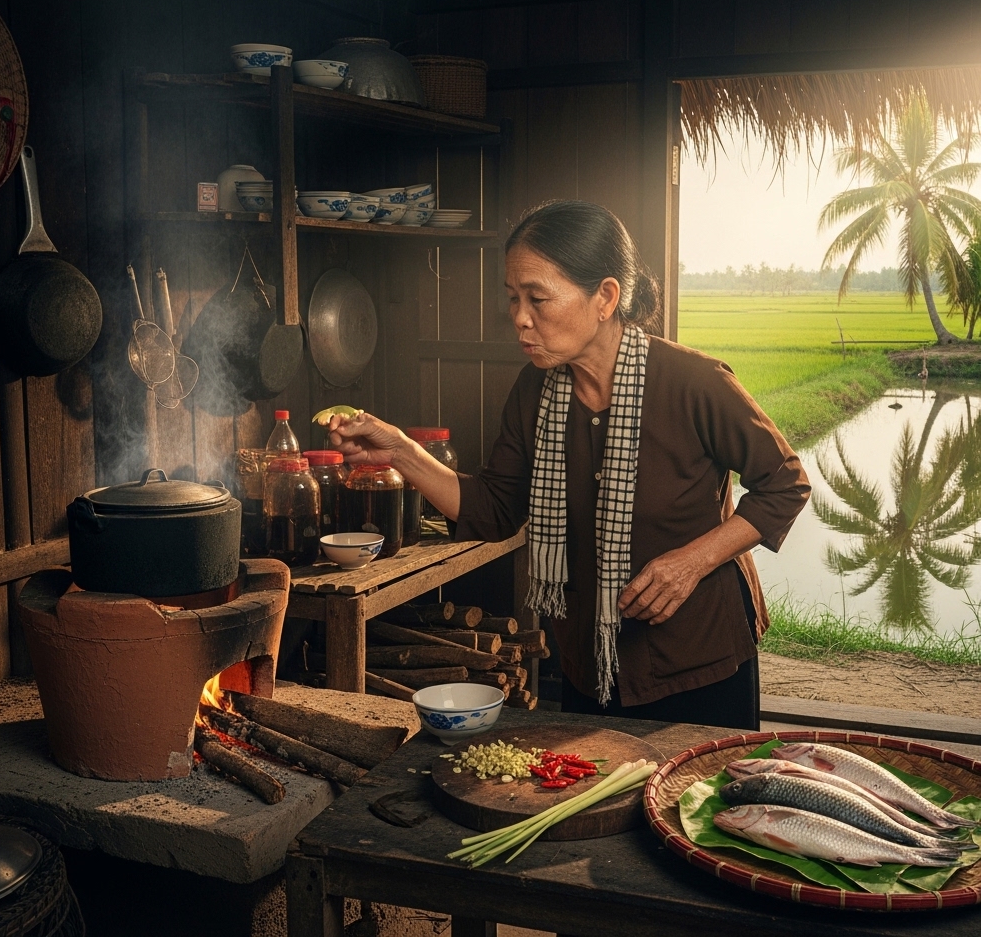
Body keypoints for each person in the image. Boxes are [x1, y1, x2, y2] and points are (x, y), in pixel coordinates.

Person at [326, 200, 810, 729]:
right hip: (590, 663)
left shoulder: (693, 382)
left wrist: (690, 563)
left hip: (699, 659)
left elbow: (785, 484)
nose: (520, 317)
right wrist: (400, 452)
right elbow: (495, 509)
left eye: (538, 298)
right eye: (513, 298)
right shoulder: (535, 391)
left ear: (605, 297)